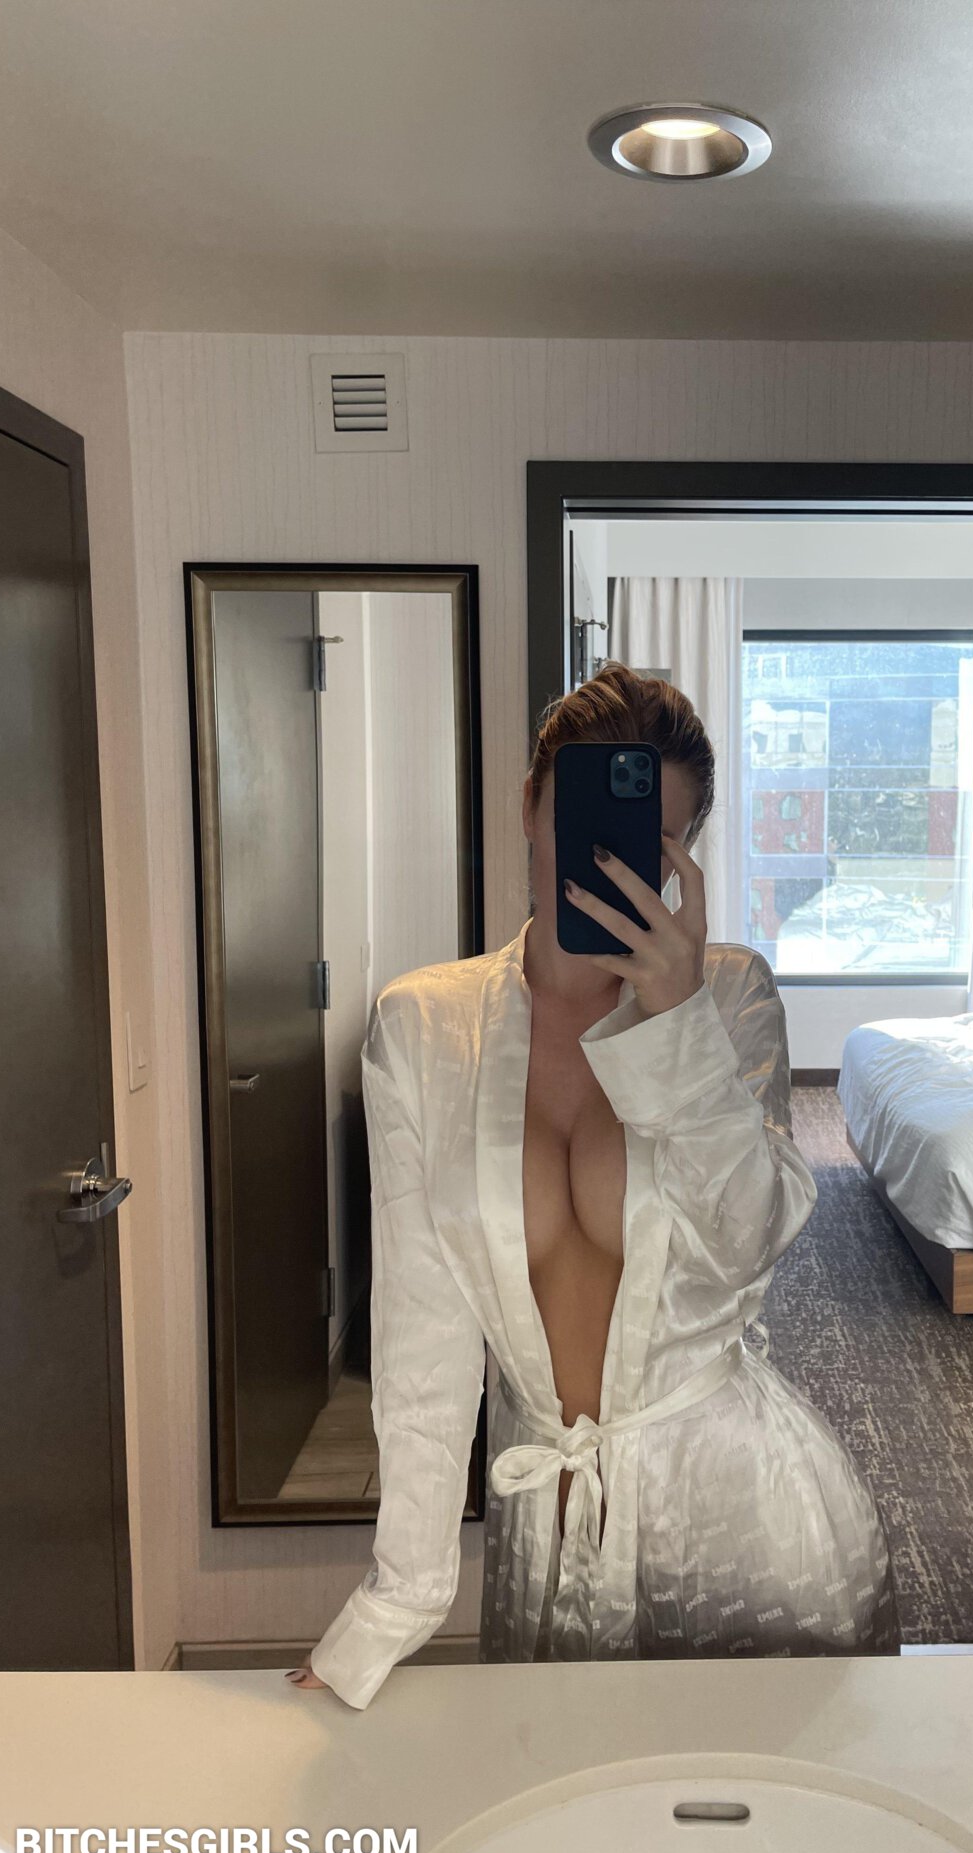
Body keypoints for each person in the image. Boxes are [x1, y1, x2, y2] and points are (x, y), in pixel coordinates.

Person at [290, 662, 899, 1708]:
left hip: (746, 1535)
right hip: (548, 1541)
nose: (609, 860)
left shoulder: (729, 996)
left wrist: (678, 1024)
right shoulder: (423, 1027)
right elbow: (422, 1345)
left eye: (649, 842)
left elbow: (748, 1240)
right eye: (584, 820)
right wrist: (396, 1605)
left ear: (683, 855)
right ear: (532, 806)